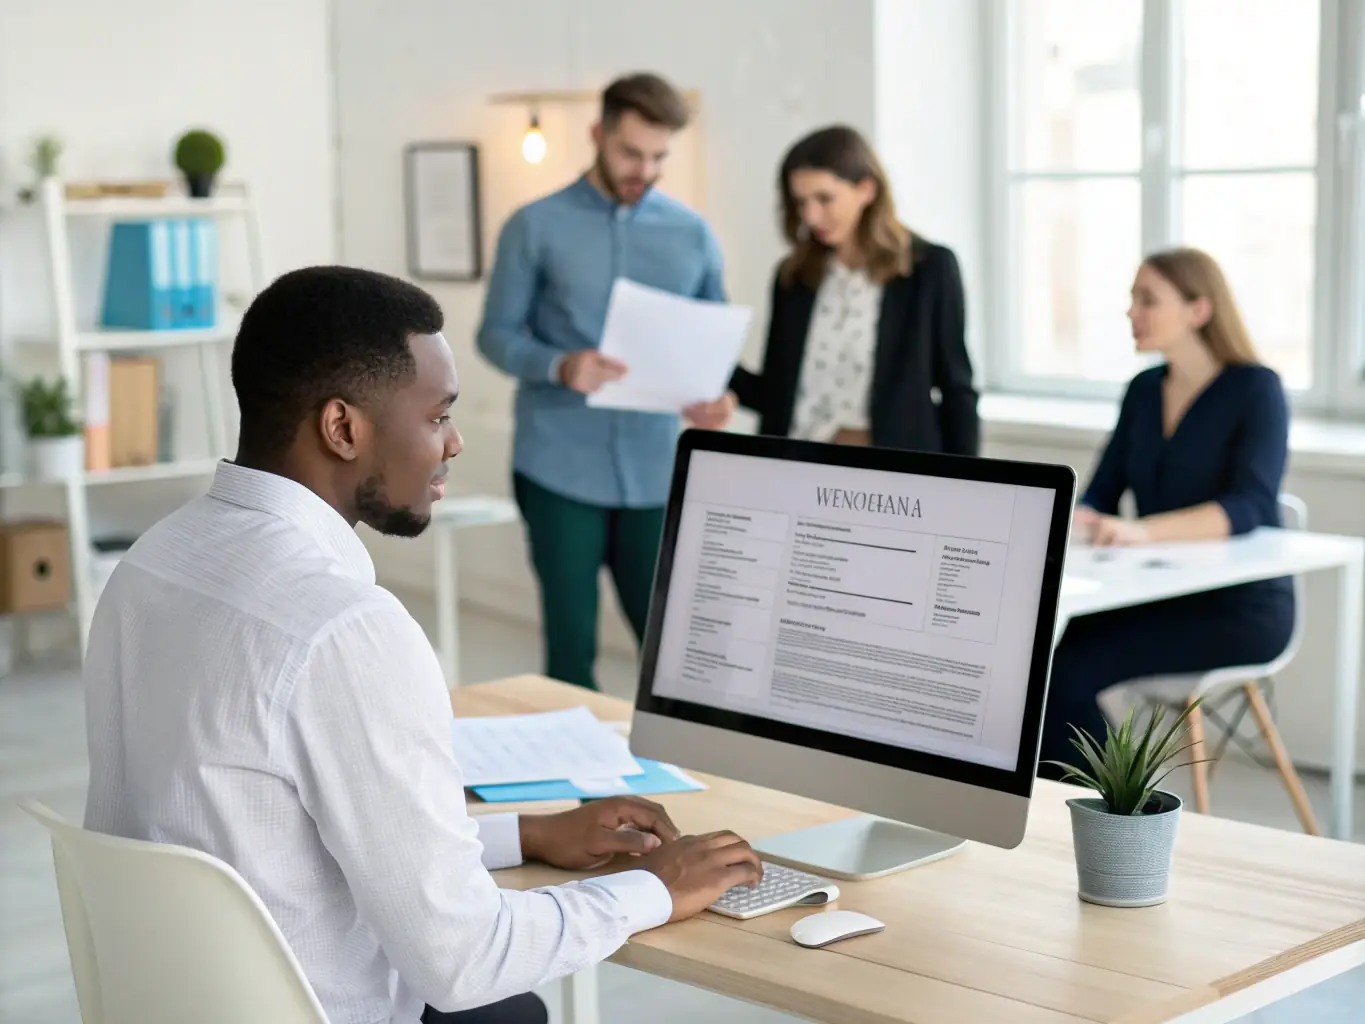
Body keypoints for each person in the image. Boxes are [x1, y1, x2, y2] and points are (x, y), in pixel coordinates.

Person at [83, 266, 763, 1024]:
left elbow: (268, 831)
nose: (455, 442)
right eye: (438, 416)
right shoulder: (343, 627)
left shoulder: (151, 563)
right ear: (343, 428)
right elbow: (464, 961)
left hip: (179, 1000)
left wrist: (528, 832)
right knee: (515, 1010)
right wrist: (656, 888)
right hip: (325, 1007)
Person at [477, 72, 734, 692]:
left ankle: (696, 782)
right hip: (558, 465)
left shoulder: (692, 235)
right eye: (630, 152)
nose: (643, 169)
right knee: (571, 650)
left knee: (671, 650)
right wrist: (561, 365)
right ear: (598, 134)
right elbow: (495, 334)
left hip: (652, 470)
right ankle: (581, 787)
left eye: (657, 157)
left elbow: (712, 342)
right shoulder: (534, 226)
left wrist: (713, 398)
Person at [1039, 247, 1294, 776]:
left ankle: (1121, 814)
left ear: (1198, 310)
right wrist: (1075, 520)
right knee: (1038, 657)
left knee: (1065, 670)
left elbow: (1248, 504)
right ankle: (1060, 815)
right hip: (1158, 593)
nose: (1131, 312)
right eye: (1133, 299)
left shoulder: (1256, 389)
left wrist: (1140, 531)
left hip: (1240, 610)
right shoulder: (1143, 390)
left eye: (1147, 299)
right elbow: (1101, 493)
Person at [728, 125, 979, 455]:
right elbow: (776, 393)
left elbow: (956, 387)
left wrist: (968, 485)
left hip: (894, 478)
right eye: (801, 202)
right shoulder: (794, 277)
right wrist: (711, 362)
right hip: (797, 469)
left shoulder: (930, 268)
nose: (811, 215)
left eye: (824, 198)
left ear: (866, 189)